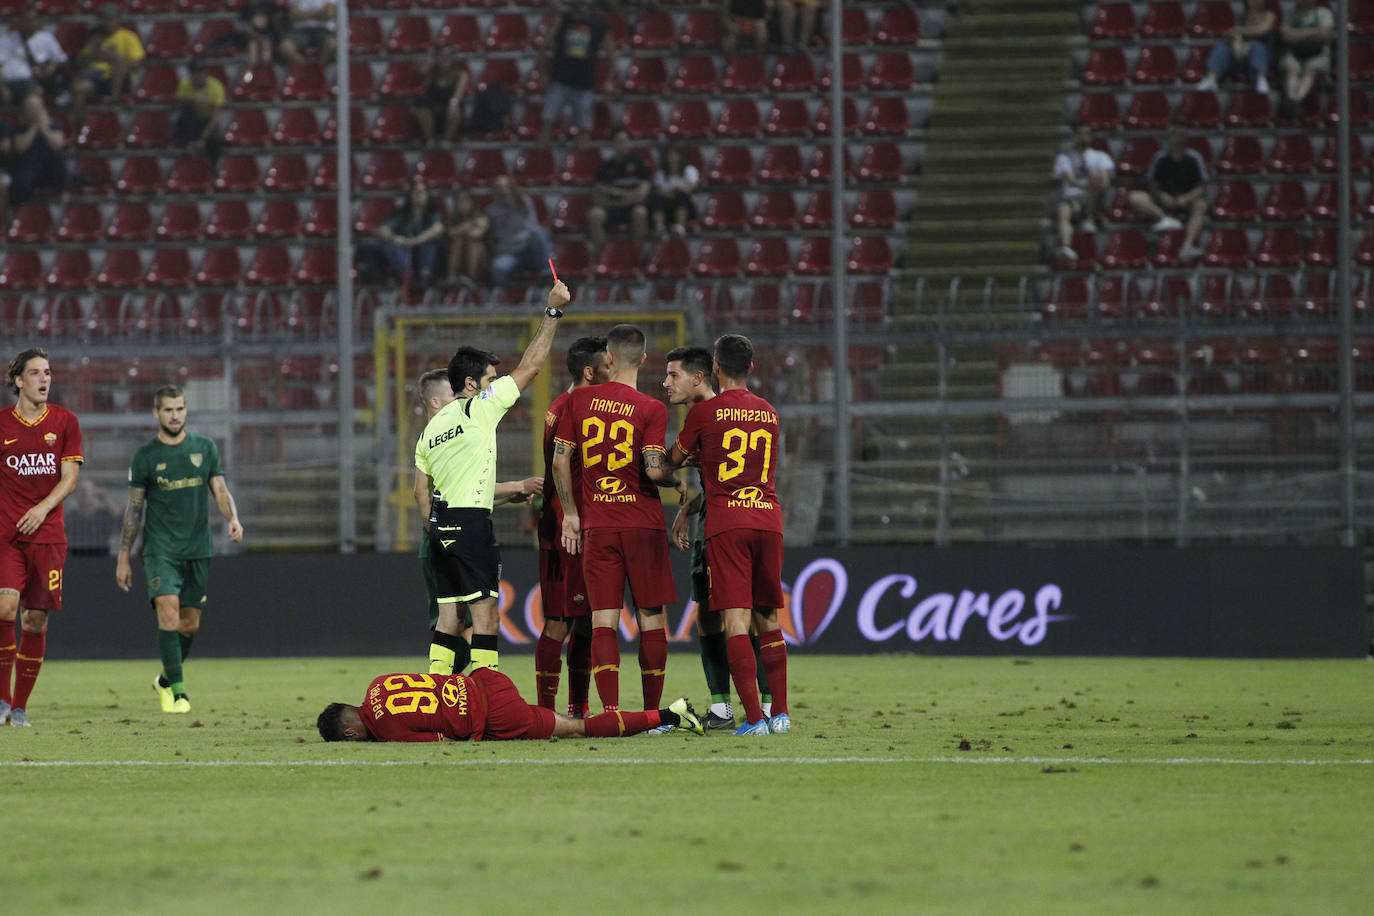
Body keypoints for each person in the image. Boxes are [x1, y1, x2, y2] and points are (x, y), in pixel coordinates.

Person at [415, 280, 573, 678]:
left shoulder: (431, 431)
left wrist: (514, 490)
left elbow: (424, 490)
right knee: (485, 617)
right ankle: (489, 697)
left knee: (449, 616)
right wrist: (552, 311)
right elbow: (532, 367)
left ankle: (436, 693)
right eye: (489, 379)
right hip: (469, 526)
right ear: (470, 385)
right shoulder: (475, 410)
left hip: (440, 526)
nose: (494, 386)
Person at [552, 324, 687, 718]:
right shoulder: (652, 409)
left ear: (608, 357)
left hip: (599, 525)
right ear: (644, 360)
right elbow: (653, 471)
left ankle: (610, 711)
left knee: (603, 619)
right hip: (643, 525)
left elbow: (561, 459)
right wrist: (679, 477)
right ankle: (649, 714)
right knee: (650, 617)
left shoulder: (578, 403)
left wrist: (571, 514)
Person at [662, 334, 790, 736]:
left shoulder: (705, 415)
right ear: (751, 367)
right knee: (768, 618)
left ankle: (752, 719)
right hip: (768, 519)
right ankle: (780, 715)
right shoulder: (769, 413)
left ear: (715, 369)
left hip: (728, 522)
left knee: (734, 620)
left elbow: (671, 462)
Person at [116, 386, 244, 715]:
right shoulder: (145, 456)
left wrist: (233, 518)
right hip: (160, 550)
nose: (175, 415)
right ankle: (180, 694)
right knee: (168, 612)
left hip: (198, 549)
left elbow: (219, 488)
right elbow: (134, 509)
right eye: (169, 410)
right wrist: (123, 556)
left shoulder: (205, 448)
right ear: (156, 413)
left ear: (186, 410)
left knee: (189, 625)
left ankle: (164, 680)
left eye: (180, 409)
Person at [412, 367, 541, 668]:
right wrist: (519, 486)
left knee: (453, 621)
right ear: (435, 402)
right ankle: (482, 690)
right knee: (470, 621)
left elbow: (456, 495)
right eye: (452, 394)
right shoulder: (443, 436)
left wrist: (510, 494)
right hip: (451, 534)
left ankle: (444, 688)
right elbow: (446, 494)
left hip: (441, 534)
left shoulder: (432, 437)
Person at [0, 348, 82, 728]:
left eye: (48, 372)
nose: (45, 379)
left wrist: (41, 508)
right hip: (6, 536)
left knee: (35, 620)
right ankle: (1, 700)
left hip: (48, 535)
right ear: (18, 380)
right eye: (35, 373)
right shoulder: (2, 425)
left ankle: (20, 707)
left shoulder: (66, 422)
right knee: (5, 608)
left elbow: (69, 479)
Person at [535, 336, 610, 717]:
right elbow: (559, 465)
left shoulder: (563, 406)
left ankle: (578, 708)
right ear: (589, 371)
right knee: (560, 620)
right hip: (568, 528)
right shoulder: (570, 407)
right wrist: (570, 516)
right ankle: (547, 712)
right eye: (607, 366)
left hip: (576, 525)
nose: (614, 372)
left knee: (582, 620)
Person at [317, 670, 703, 742]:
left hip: (498, 717)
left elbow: (442, 740)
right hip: (487, 681)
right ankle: (669, 714)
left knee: (577, 728)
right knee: (564, 720)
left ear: (351, 732)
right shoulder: (377, 684)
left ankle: (671, 714)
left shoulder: (386, 733)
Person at [537, 0, 617, 146]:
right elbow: (543, 47)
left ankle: (581, 165)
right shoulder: (563, 19)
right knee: (547, 124)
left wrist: (609, 80)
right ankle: (539, 163)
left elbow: (613, 54)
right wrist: (543, 75)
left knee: (584, 129)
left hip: (584, 86)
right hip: (561, 82)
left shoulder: (599, 24)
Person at [1126, 121, 1208, 263]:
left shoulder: (1195, 158)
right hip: (1163, 200)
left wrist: (1185, 198)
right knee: (1135, 197)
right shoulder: (1160, 158)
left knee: (1201, 205)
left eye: (1182, 134)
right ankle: (1164, 218)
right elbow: (1152, 184)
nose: (1178, 138)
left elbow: (1201, 186)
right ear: (1169, 136)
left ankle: (1187, 246)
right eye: (1175, 134)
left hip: (1186, 199)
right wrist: (1162, 196)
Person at [70, 3, 145, 129]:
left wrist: (112, 57)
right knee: (78, 87)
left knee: (119, 58)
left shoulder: (128, 36)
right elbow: (80, 63)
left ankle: (114, 101)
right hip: (97, 78)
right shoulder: (95, 39)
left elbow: (136, 64)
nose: (106, 22)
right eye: (103, 19)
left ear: (118, 19)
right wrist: (94, 54)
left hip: (121, 80)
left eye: (110, 19)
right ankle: (79, 128)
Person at [1053, 122, 1114, 262]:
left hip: (1095, 198)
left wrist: (1093, 185)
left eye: (1087, 134)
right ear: (1074, 136)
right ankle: (1066, 247)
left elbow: (1105, 179)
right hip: (1073, 199)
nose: (1083, 137)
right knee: (1063, 210)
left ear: (1092, 137)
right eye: (1080, 133)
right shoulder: (1064, 157)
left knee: (1096, 177)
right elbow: (1070, 179)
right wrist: (1085, 186)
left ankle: (1090, 217)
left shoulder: (1100, 156)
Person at [588, 128, 651, 256]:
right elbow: (598, 198)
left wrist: (616, 192)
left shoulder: (639, 164)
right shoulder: (604, 167)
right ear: (612, 144)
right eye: (619, 141)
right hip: (612, 209)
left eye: (625, 141)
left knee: (641, 212)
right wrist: (628, 196)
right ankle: (604, 259)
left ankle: (636, 256)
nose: (623, 144)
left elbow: (641, 195)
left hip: (630, 208)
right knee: (594, 215)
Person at [378, 178, 446, 294]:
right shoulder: (401, 213)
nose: (419, 194)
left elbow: (438, 229)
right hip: (405, 250)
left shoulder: (433, 212)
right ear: (410, 195)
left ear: (428, 195)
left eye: (422, 192)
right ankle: (407, 276)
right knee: (391, 246)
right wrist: (394, 237)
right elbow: (383, 229)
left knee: (430, 245)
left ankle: (425, 277)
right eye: (416, 192)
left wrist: (417, 240)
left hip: (423, 251)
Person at [3, 91, 69, 210]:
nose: (33, 111)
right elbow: (20, 147)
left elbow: (58, 144)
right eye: (29, 108)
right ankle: (18, 211)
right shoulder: (20, 128)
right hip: (29, 167)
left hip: (49, 167)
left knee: (59, 160)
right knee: (20, 180)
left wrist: (43, 126)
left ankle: (63, 195)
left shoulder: (54, 125)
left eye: (35, 107)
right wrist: (33, 127)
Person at [484, 175, 553, 289]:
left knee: (538, 232)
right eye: (499, 187)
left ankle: (547, 273)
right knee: (498, 267)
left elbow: (532, 227)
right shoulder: (490, 211)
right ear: (494, 191)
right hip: (509, 254)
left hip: (528, 250)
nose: (503, 190)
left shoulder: (524, 203)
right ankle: (507, 296)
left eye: (505, 187)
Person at [1195, 0, 1276, 95]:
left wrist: (1239, 30)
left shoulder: (1269, 15)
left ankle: (1261, 78)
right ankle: (1211, 78)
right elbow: (1234, 35)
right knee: (1223, 48)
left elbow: (1261, 30)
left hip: (1260, 56)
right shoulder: (1243, 17)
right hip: (1240, 54)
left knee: (1256, 47)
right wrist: (1236, 44)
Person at [0, 10, 67, 107]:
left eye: (32, 20)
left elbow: (61, 59)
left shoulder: (46, 38)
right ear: (20, 22)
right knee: (34, 90)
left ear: (38, 22)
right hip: (13, 82)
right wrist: (2, 87)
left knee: (38, 90)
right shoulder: (7, 39)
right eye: (25, 20)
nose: (29, 24)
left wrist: (51, 67)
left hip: (37, 81)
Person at [1278, 0, 1335, 108]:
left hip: (1318, 53)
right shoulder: (1291, 14)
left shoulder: (1323, 13)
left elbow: (1324, 35)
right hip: (1295, 52)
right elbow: (1285, 36)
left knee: (1311, 69)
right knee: (1291, 69)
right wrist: (1314, 32)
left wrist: (1297, 34)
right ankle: (1293, 101)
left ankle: (1295, 101)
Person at [413, 44, 471, 147]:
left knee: (456, 105)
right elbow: (419, 71)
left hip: (449, 116)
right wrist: (430, 60)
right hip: (431, 117)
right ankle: (429, 140)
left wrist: (453, 104)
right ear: (436, 58)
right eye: (442, 56)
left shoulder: (461, 74)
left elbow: (457, 95)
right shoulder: (430, 74)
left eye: (448, 56)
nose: (445, 59)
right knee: (421, 101)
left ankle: (447, 140)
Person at [172, 59, 225, 167]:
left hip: (208, 121)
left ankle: (213, 170)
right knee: (187, 109)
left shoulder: (216, 86)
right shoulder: (185, 84)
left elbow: (215, 118)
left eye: (201, 72)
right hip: (191, 123)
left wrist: (203, 138)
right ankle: (188, 144)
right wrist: (194, 100)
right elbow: (179, 106)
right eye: (195, 73)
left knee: (215, 140)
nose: (198, 76)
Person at [651, 145, 700, 239]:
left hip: (686, 207)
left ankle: (680, 227)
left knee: (681, 195)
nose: (672, 158)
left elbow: (691, 186)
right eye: (670, 155)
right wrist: (671, 193)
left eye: (675, 155)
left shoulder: (689, 170)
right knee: (657, 198)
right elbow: (658, 190)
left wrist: (674, 191)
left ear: (681, 156)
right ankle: (659, 227)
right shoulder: (661, 173)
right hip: (667, 206)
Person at [446, 189, 489, 286]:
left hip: (480, 258)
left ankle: (472, 277)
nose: (463, 204)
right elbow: (451, 233)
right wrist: (470, 224)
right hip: (457, 255)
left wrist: (461, 230)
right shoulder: (452, 219)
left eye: (466, 200)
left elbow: (476, 234)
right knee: (458, 241)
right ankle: (452, 277)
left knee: (472, 242)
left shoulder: (481, 216)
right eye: (460, 201)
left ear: (472, 202)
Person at [278, 0, 337, 67]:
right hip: (300, 30)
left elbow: (327, 15)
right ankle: (308, 70)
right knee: (285, 48)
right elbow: (293, 16)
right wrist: (318, 13)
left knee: (331, 44)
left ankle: (318, 72)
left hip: (324, 29)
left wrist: (302, 14)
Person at [238, 0, 286, 66]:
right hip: (253, 36)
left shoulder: (268, 5)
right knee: (253, 46)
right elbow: (248, 29)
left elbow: (275, 23)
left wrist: (280, 36)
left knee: (267, 44)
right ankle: (253, 68)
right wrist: (259, 38)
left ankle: (265, 68)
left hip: (268, 35)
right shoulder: (246, 7)